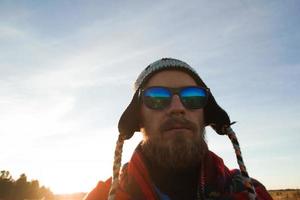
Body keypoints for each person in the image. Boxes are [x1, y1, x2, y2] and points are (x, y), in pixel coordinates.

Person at [84, 58, 273, 200]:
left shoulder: (253, 193)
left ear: (204, 114)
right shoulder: (102, 196)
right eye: (157, 97)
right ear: (138, 118)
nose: (177, 108)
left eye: (192, 97)